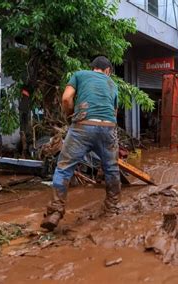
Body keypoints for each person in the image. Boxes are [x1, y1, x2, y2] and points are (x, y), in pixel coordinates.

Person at [41, 56, 121, 231]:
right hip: (108, 127)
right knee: (112, 169)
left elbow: (66, 99)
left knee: (64, 168)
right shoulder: (112, 84)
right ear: (108, 70)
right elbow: (114, 113)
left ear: (93, 68)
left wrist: (70, 114)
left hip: (82, 125)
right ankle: (112, 209)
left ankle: (55, 211)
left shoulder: (79, 75)